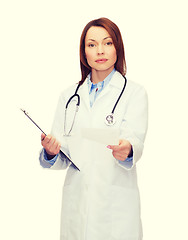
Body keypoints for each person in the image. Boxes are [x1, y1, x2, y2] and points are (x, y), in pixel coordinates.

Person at [39, 17, 148, 240]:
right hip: (76, 205)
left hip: (115, 207)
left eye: (107, 43)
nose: (100, 50)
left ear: (118, 48)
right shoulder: (68, 96)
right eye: (92, 44)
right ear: (84, 52)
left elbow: (134, 141)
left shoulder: (134, 94)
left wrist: (127, 150)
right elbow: (64, 155)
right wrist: (51, 152)